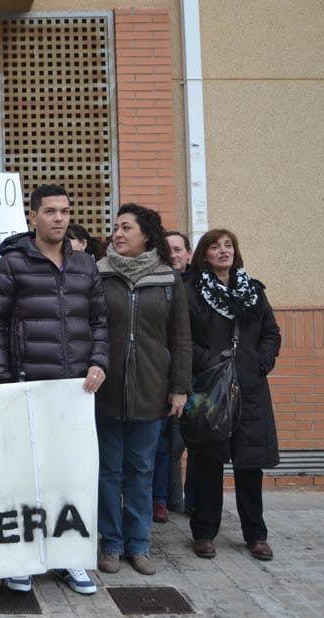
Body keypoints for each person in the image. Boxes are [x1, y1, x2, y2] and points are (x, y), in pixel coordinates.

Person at [0, 184, 109, 596]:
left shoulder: (86, 264)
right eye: (51, 211)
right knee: (26, 477)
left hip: (75, 392)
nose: (59, 218)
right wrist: (2, 382)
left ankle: (69, 557)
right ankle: (20, 559)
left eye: (65, 211)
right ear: (32, 217)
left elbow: (99, 322)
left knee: (70, 476)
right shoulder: (12, 265)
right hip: (27, 387)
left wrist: (99, 361)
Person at [95, 204, 191, 576]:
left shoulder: (168, 278)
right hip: (106, 391)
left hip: (152, 390)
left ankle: (138, 544)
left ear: (146, 235)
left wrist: (179, 387)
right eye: (116, 227)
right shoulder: (100, 273)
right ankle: (111, 543)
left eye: (126, 228)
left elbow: (181, 337)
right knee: (108, 471)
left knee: (141, 470)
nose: (118, 234)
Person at [185, 229, 280, 562]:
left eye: (228, 246)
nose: (223, 251)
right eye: (215, 246)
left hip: (250, 387)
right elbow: (183, 338)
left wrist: (260, 361)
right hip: (210, 387)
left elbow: (270, 332)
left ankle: (256, 535)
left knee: (250, 465)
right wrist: (209, 362)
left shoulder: (253, 291)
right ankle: (203, 533)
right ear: (204, 255)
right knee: (208, 462)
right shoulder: (192, 293)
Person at [151, 231, 194, 522]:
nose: (174, 255)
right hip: (162, 375)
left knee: (185, 443)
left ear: (188, 254)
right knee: (164, 443)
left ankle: (183, 500)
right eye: (168, 250)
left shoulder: (199, 286)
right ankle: (163, 500)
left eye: (179, 249)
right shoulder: (158, 284)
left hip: (196, 376)